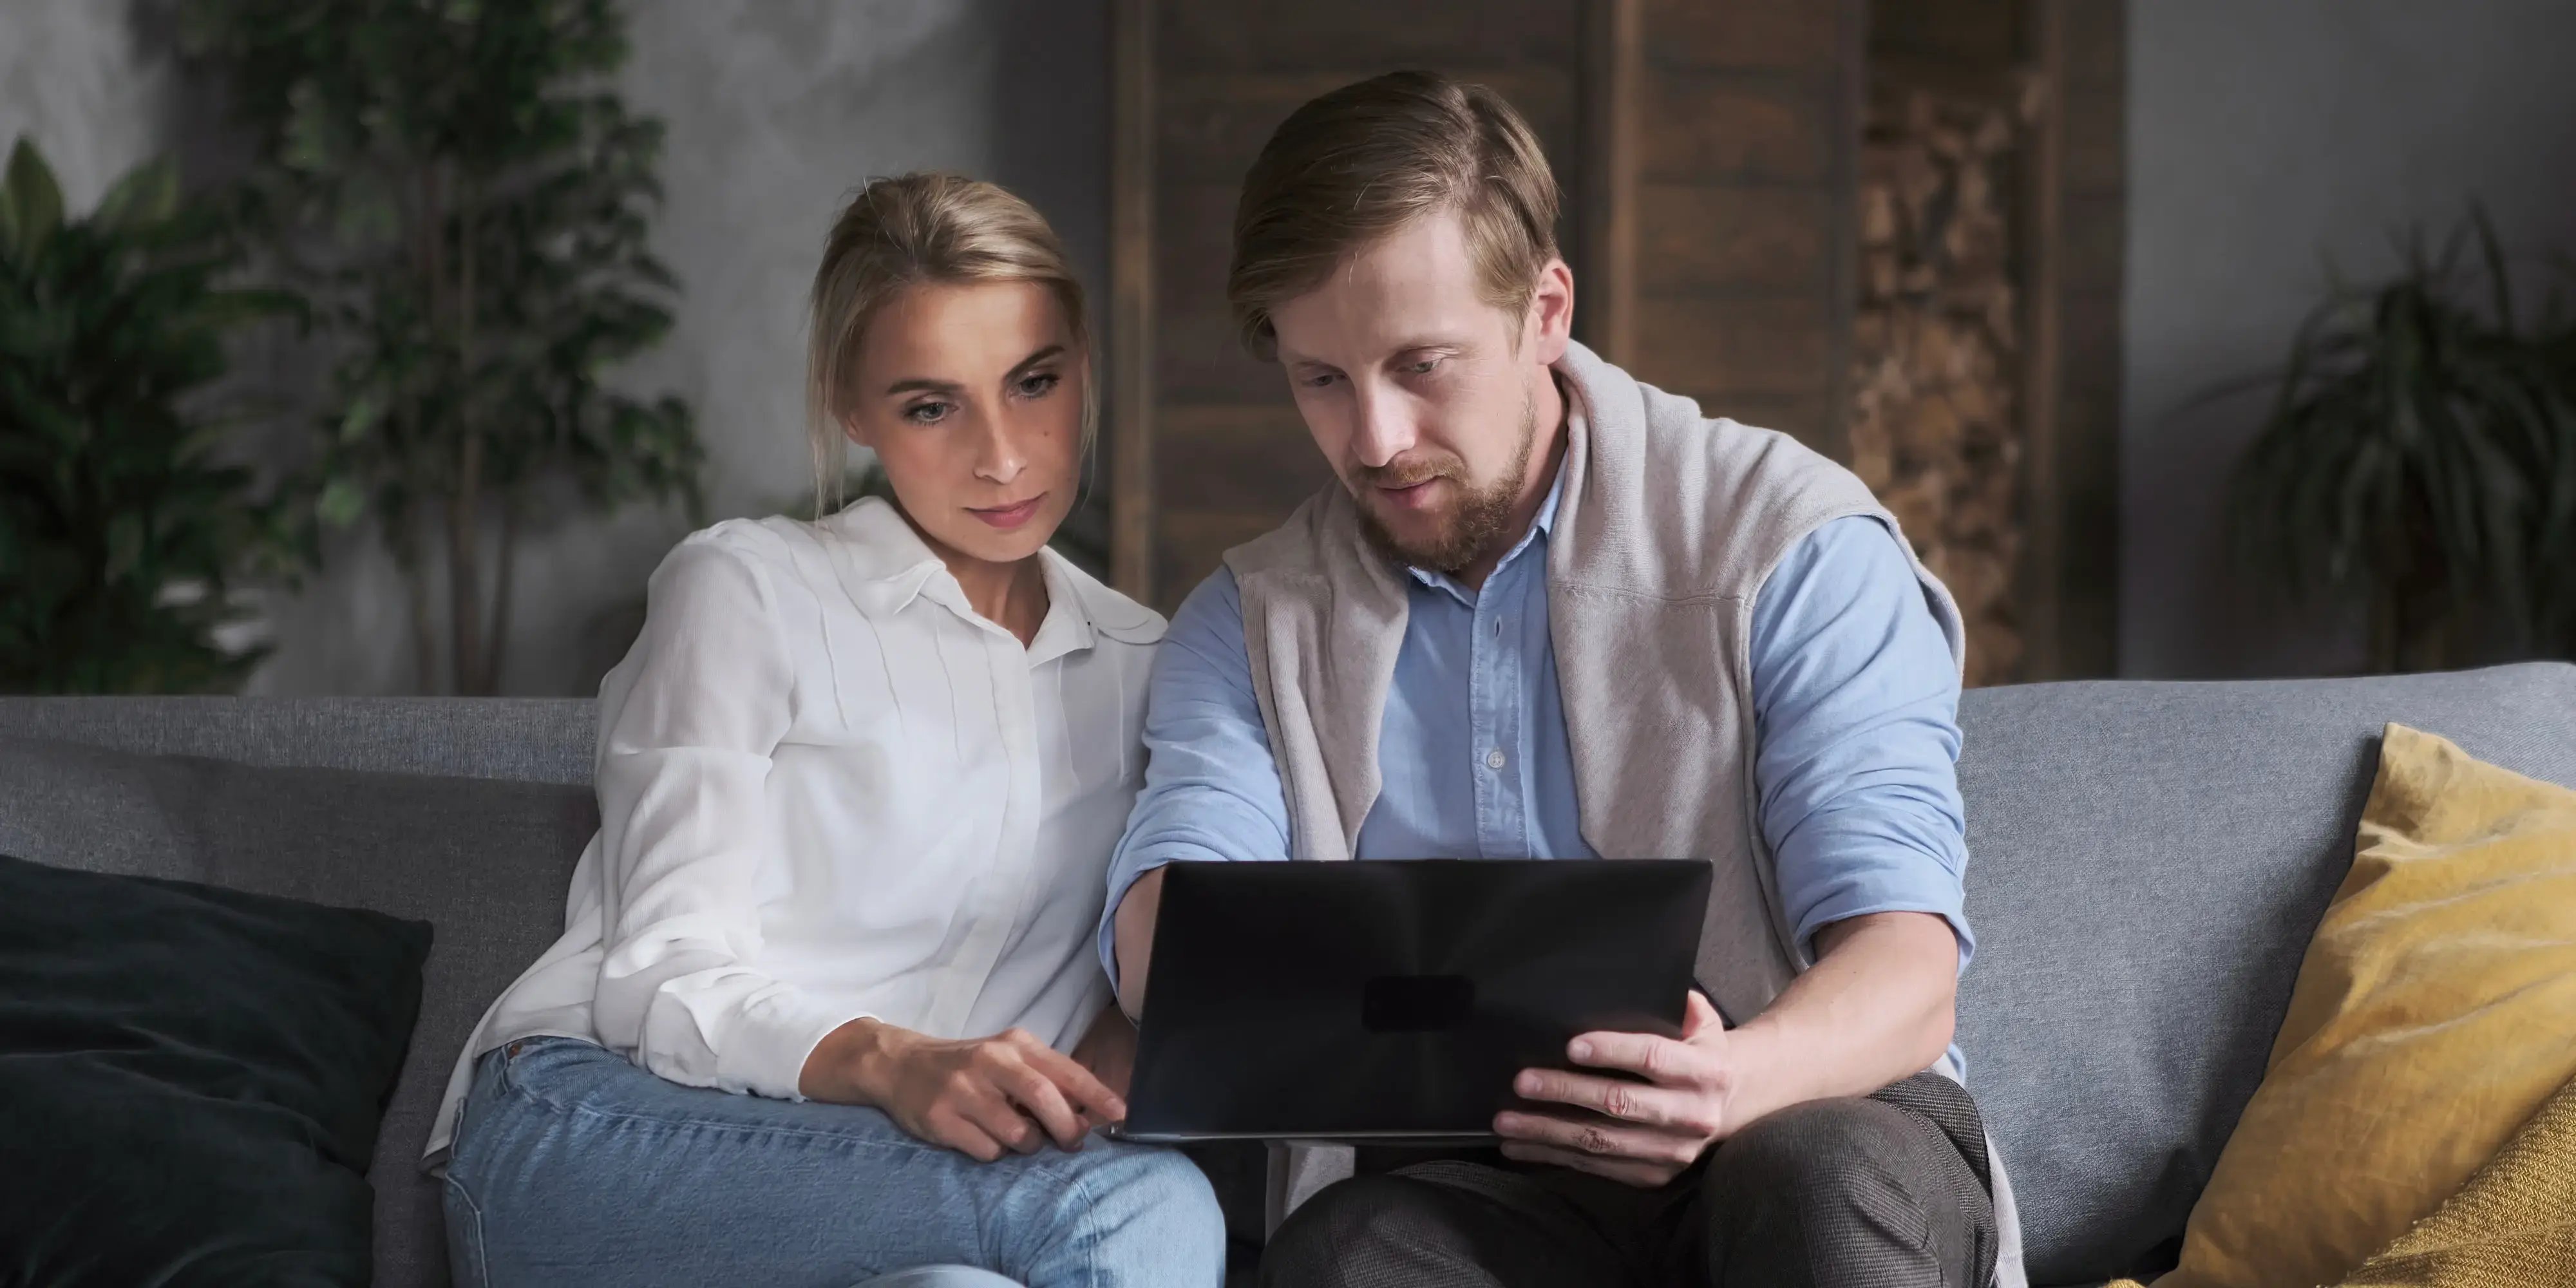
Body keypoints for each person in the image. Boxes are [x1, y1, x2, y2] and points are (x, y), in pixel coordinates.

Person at [1101, 72, 2024, 1288]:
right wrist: (1192, 948)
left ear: (1545, 310)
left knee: (1816, 1187)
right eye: (1320, 377)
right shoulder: (1249, 621)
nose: (1372, 439)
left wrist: (1729, 1083)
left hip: (1804, 1112)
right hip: (1481, 1188)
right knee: (1352, 1256)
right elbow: (1171, 937)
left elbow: (1907, 969)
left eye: (1421, 365)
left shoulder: (1793, 543)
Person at [426, 173, 1225, 1288]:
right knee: (1133, 1205)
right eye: (931, 405)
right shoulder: (746, 590)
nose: (1003, 455)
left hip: (910, 1188)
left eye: (1033, 383)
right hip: (601, 1129)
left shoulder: (1151, 665)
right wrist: (889, 1062)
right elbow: (659, 971)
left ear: (1083, 366)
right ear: (853, 407)